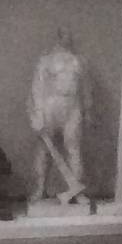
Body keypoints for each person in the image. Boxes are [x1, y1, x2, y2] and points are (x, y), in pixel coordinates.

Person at [27, 29, 91, 201]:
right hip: (51, 106)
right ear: (58, 37)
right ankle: (40, 189)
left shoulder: (79, 61)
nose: (67, 38)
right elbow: (37, 88)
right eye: (64, 35)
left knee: (74, 148)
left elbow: (86, 88)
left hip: (72, 106)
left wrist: (87, 110)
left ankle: (77, 191)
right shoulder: (46, 61)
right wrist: (38, 114)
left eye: (69, 35)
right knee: (44, 149)